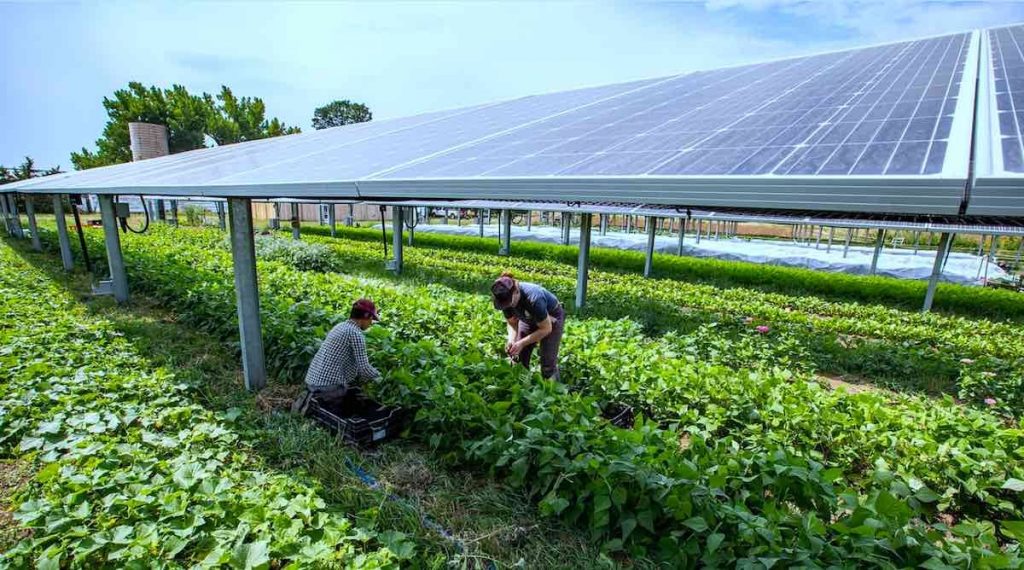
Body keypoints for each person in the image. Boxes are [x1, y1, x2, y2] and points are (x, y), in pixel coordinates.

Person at [292, 298, 381, 415]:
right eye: (371, 319)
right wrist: (380, 379)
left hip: (311, 382)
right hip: (328, 387)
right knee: (349, 403)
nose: (371, 323)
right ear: (365, 316)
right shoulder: (356, 334)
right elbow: (364, 369)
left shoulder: (340, 326)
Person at [491, 272, 564, 380]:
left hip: (550, 319)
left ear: (516, 291)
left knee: (547, 364)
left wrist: (521, 343)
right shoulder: (504, 298)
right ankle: (521, 388)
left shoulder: (534, 298)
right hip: (527, 318)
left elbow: (546, 329)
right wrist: (512, 340)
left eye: (509, 303)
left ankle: (555, 392)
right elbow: (512, 323)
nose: (508, 306)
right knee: (518, 358)